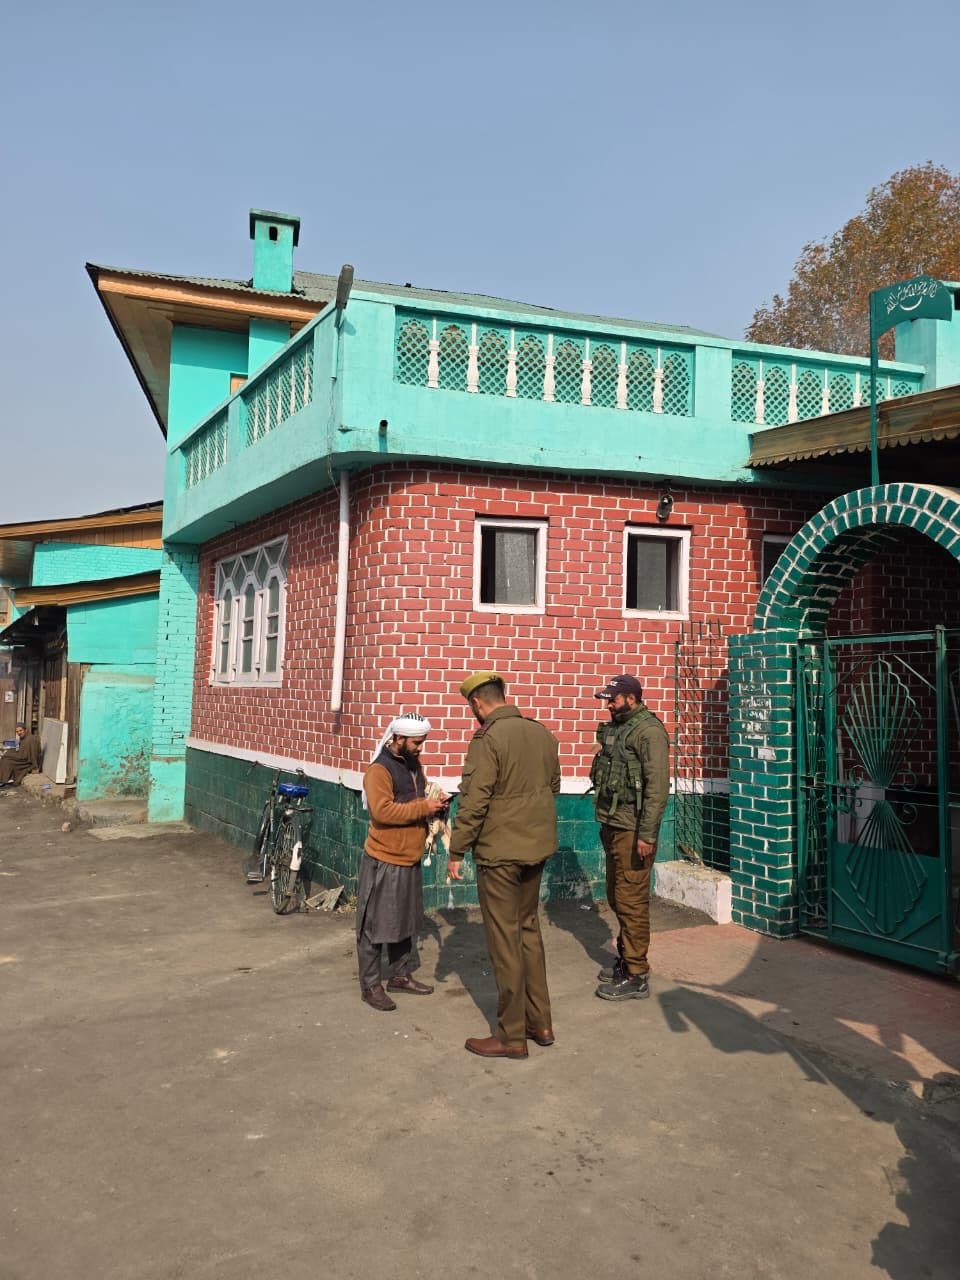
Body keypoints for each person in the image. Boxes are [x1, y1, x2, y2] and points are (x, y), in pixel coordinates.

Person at [448, 673, 561, 1059]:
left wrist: (456, 850)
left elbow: (475, 800)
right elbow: (554, 785)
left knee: (504, 940)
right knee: (528, 930)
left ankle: (511, 1036)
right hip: (536, 848)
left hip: (499, 853)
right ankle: (540, 1023)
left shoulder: (488, 739)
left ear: (477, 703)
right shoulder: (541, 733)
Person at [357, 713, 449, 1012]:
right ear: (398, 738)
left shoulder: (413, 765)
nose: (420, 748)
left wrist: (436, 800)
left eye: (422, 742)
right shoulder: (379, 770)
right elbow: (382, 811)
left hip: (409, 857)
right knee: (374, 925)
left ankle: (399, 976)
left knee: (405, 922)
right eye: (417, 742)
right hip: (385, 858)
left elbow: (415, 799)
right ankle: (371, 986)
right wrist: (424, 807)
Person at [590, 675, 670, 1002]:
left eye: (613, 699)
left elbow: (657, 788)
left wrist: (646, 834)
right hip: (613, 823)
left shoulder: (649, 732)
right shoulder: (620, 728)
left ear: (632, 699)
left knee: (631, 900)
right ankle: (627, 958)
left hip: (633, 830)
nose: (608, 705)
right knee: (617, 895)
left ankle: (636, 974)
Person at [0, 722, 41, 787]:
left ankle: (4, 779)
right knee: (6, 754)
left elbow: (34, 753)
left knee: (6, 759)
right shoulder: (23, 738)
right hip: (21, 757)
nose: (19, 733)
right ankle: (4, 778)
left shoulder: (32, 739)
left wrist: (35, 766)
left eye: (20, 730)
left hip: (26, 762)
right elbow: (21, 750)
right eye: (17, 731)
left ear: (25, 730)